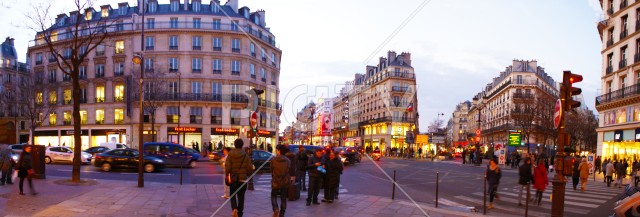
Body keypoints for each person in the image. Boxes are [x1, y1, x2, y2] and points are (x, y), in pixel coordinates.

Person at [225, 139, 253, 217]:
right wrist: (248, 174)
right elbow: (249, 168)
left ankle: (234, 209)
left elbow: (227, 167)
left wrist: (228, 174)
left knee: (232, 194)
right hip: (242, 179)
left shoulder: (230, 154)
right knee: (241, 197)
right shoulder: (245, 155)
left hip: (233, 179)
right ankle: (240, 212)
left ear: (234, 145)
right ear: (242, 145)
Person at [270, 145, 291, 217]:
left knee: (273, 196)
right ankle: (282, 214)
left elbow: (271, 171)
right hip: (284, 181)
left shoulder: (273, 160)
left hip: (276, 180)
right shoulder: (288, 161)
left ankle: (275, 208)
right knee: (283, 197)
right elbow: (289, 170)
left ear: (279, 151)